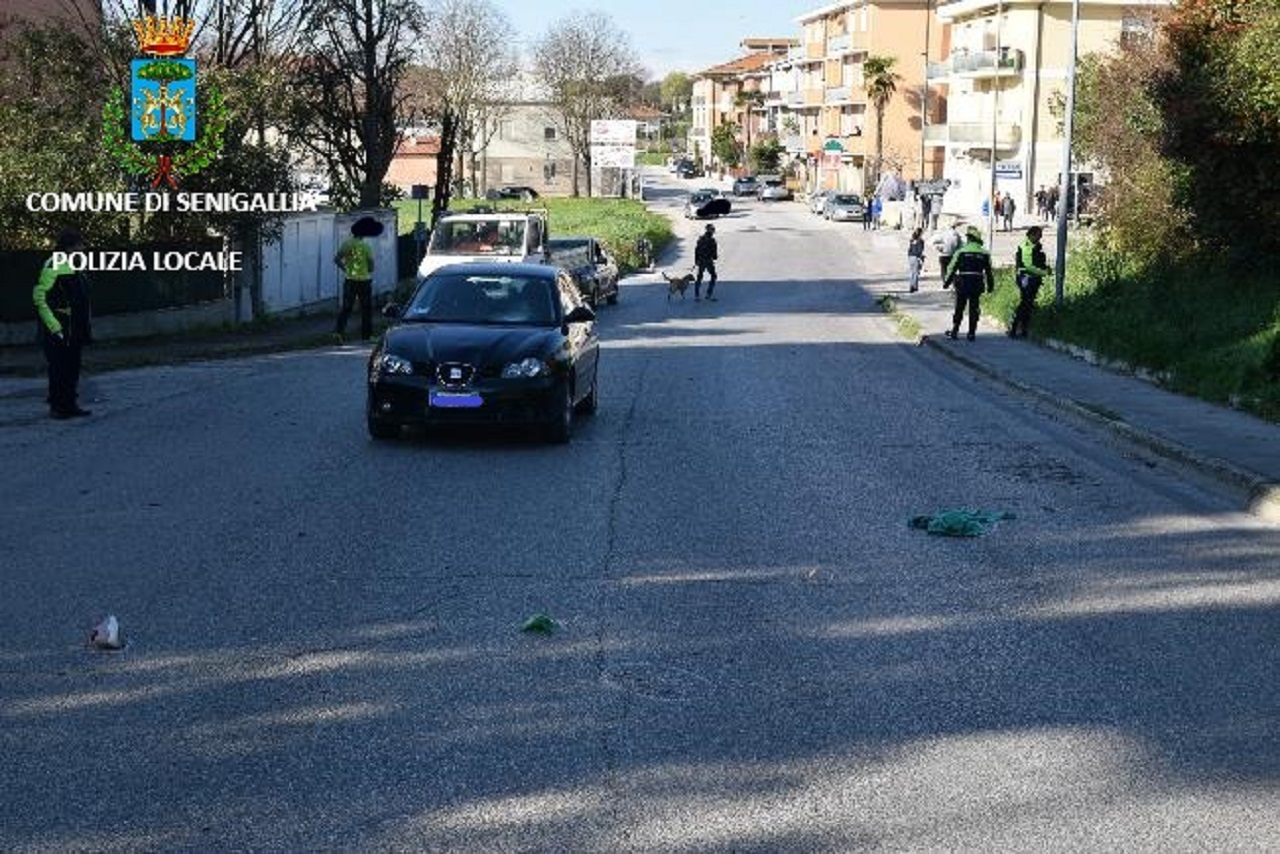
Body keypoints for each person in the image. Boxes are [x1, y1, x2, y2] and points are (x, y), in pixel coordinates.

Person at [33, 230, 93, 419]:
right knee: (59, 367)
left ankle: (70, 404)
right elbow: (40, 296)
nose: (83, 249)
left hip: (74, 327)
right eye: (79, 246)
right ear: (69, 247)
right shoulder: (54, 264)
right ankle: (58, 407)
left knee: (72, 367)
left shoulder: (76, 266)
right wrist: (54, 325)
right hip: (59, 327)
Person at [943, 225, 995, 341]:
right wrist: (990, 286)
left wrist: (947, 282)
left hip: (963, 282)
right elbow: (988, 272)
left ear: (969, 239)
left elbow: (951, 268)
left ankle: (955, 331)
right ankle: (971, 333)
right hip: (977, 283)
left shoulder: (961, 252)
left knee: (959, 307)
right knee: (974, 307)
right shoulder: (984, 253)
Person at [333, 222, 375, 341]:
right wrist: (368, 269)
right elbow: (371, 265)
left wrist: (345, 269)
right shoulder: (366, 246)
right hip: (364, 281)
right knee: (366, 309)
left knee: (346, 307)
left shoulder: (347, 244)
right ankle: (367, 336)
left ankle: (338, 332)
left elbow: (337, 259)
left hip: (350, 280)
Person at [1010, 225, 1052, 338]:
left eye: (1040, 236)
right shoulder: (1026, 246)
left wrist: (1045, 268)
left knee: (1028, 304)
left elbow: (1038, 262)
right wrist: (1044, 272)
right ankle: (1015, 328)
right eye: (1038, 236)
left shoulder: (1035, 246)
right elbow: (1029, 266)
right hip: (1026, 278)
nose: (1040, 238)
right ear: (1031, 235)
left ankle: (1022, 328)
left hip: (1033, 278)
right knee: (1025, 303)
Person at [694, 223, 718, 301]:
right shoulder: (712, 240)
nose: (713, 231)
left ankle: (697, 295)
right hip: (708, 261)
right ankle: (708, 294)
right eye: (713, 229)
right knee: (713, 276)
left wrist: (696, 261)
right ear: (710, 230)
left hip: (700, 260)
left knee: (699, 277)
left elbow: (696, 250)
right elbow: (714, 254)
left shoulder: (700, 239)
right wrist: (715, 257)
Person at [907, 228, 925, 293]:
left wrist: (909, 255)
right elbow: (920, 250)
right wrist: (921, 258)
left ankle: (911, 285)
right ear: (921, 233)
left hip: (910, 257)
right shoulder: (921, 241)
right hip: (916, 257)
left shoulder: (912, 240)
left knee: (912, 272)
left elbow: (909, 249)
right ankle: (914, 287)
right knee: (916, 273)